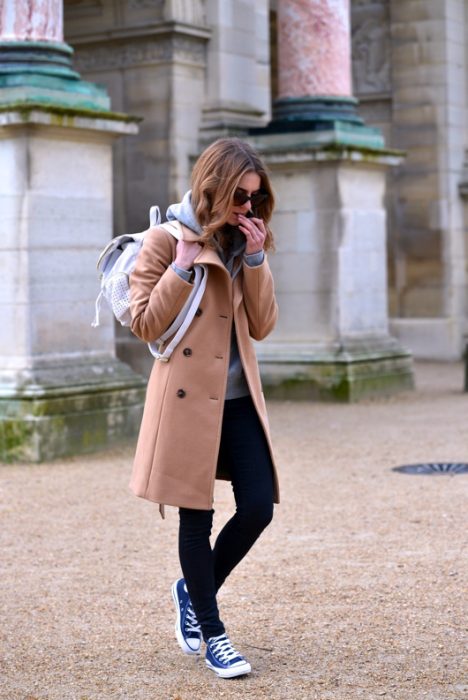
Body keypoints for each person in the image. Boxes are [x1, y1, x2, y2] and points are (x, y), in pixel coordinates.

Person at [128, 137, 280, 679]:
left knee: (259, 507)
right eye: (239, 196)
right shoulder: (165, 238)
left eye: (255, 200)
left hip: (238, 401)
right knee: (197, 520)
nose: (246, 208)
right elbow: (144, 323)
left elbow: (261, 326)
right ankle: (213, 634)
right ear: (212, 185)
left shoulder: (245, 246)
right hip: (190, 403)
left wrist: (257, 258)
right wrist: (181, 269)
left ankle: (192, 590)